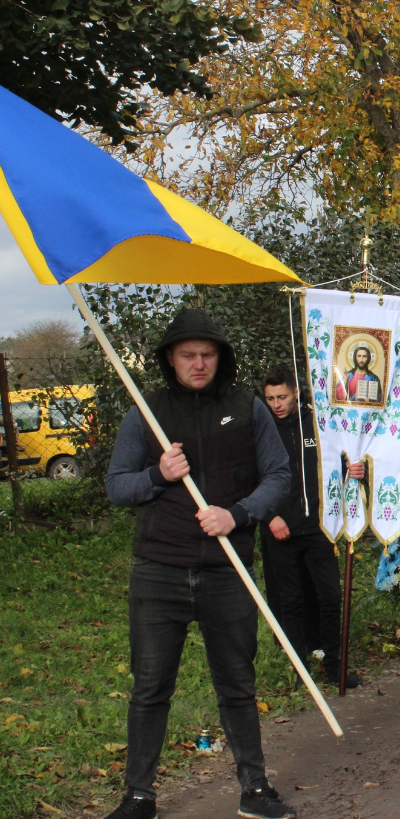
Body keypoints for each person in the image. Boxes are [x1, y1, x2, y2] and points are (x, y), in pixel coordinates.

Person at [103, 309, 295, 819]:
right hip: (158, 570)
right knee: (150, 688)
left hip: (226, 571)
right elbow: (116, 485)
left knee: (237, 684)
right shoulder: (146, 412)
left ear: (220, 358)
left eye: (207, 354)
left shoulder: (246, 408)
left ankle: (255, 790)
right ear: (170, 358)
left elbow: (278, 476)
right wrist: (158, 475)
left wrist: (236, 516)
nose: (198, 363)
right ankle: (138, 796)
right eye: (188, 355)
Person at [261, 366, 363, 690]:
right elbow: (250, 478)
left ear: (296, 393)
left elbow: (341, 462)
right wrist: (269, 516)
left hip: (320, 526)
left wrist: (355, 470)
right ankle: (300, 670)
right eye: (270, 399)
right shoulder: (260, 428)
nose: (276, 404)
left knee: (330, 596)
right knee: (291, 601)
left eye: (282, 397)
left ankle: (335, 665)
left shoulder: (320, 423)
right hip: (279, 527)